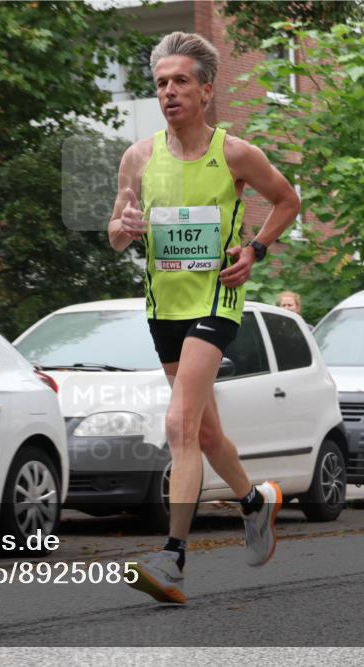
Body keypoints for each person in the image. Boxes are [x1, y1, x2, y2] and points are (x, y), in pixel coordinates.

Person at [108, 31, 301, 604]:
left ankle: (172, 559)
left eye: (180, 81)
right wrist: (125, 227)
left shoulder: (235, 153)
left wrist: (255, 249)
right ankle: (253, 502)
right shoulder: (138, 157)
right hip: (163, 305)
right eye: (161, 83)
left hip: (216, 300)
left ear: (206, 90)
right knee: (207, 430)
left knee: (178, 425)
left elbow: (287, 201)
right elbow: (116, 233)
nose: (168, 92)